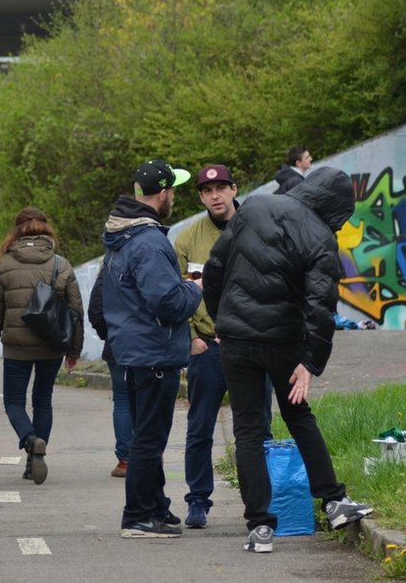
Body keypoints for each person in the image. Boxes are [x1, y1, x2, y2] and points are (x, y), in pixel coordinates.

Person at [202, 166, 373, 554]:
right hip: (283, 342)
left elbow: (215, 267)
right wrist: (310, 362)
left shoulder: (254, 207)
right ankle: (333, 500)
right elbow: (320, 306)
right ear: (337, 207)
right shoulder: (322, 238)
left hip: (235, 340)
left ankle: (260, 527)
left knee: (248, 430)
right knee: (298, 416)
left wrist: (220, 319)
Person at [102, 159, 203, 539]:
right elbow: (168, 303)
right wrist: (194, 288)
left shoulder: (122, 236)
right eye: (172, 190)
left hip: (134, 348)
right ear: (162, 193)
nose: (173, 196)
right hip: (154, 351)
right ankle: (138, 516)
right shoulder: (149, 241)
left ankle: (156, 506)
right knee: (149, 437)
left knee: (149, 433)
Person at [175, 164, 272, 529]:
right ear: (200, 197)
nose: (215, 196)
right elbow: (175, 293)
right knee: (200, 426)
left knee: (258, 427)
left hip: (252, 342)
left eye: (221, 188)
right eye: (207, 190)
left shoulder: (259, 227)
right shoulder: (186, 240)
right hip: (208, 347)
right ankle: (198, 500)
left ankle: (260, 504)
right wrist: (191, 339)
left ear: (234, 189)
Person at [0, 208, 84, 485]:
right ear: (47, 230)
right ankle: (34, 460)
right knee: (42, 400)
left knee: (14, 402)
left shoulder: (4, 264)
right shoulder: (61, 265)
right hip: (52, 344)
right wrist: (74, 351)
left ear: (16, 232)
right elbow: (76, 310)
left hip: (17, 347)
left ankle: (30, 440)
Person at [88, 266, 131, 478]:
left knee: (122, 400)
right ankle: (148, 456)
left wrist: (108, 334)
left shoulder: (110, 267)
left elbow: (95, 308)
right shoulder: (151, 258)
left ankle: (125, 461)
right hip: (149, 345)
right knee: (147, 399)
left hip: (117, 345)